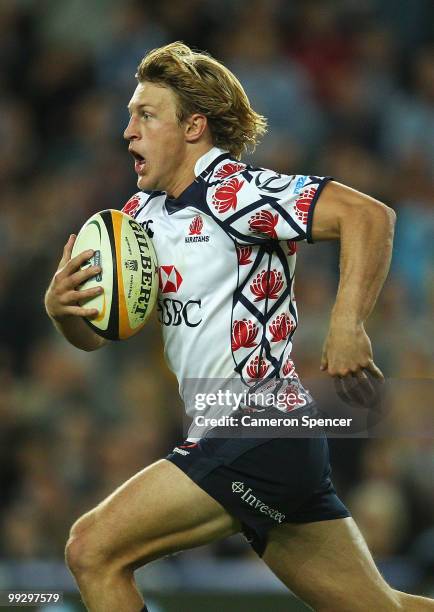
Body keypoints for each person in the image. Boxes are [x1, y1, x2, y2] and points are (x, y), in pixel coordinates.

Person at [44, 42, 433, 612]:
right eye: (130, 115)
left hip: (259, 423)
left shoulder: (235, 192)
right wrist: (65, 314)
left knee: (91, 549)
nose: (127, 131)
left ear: (194, 126)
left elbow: (369, 215)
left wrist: (348, 324)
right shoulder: (137, 219)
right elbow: (97, 336)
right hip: (254, 439)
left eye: (146, 115)